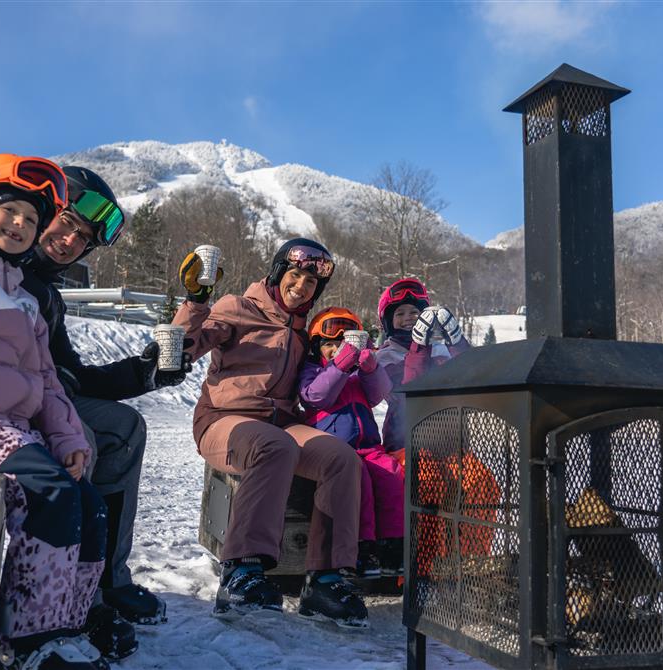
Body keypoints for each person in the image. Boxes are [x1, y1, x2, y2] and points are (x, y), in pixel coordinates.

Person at [0, 165, 189, 660]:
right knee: (65, 463)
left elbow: (65, 375)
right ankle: (31, 624)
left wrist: (147, 373)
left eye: (83, 239)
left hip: (17, 411)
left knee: (118, 432)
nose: (69, 240)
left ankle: (93, 591)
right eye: (65, 223)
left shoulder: (36, 295)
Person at [174, 237, 369, 629]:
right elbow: (184, 346)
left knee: (340, 458)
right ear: (280, 272)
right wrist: (196, 301)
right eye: (295, 276)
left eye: (311, 283)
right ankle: (242, 571)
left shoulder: (302, 330)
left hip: (280, 421)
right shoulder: (237, 308)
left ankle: (325, 580)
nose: (301, 287)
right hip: (224, 419)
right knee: (274, 446)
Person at [298, 307, 404, 578]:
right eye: (329, 345)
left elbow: (378, 395)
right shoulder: (313, 371)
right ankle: (362, 547)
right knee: (361, 483)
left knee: (392, 475)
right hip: (336, 449)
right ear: (316, 348)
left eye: (341, 344)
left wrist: (370, 367)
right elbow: (314, 397)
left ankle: (393, 546)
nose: (335, 350)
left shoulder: (358, 374)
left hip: (369, 445)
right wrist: (339, 366)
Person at [376, 277, 471, 456]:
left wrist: (456, 342)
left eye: (414, 312)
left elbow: (468, 377)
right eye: (400, 313)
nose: (408, 318)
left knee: (480, 482)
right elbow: (407, 393)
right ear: (388, 320)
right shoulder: (384, 357)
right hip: (405, 444)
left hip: (452, 443)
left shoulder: (440, 349)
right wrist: (419, 346)